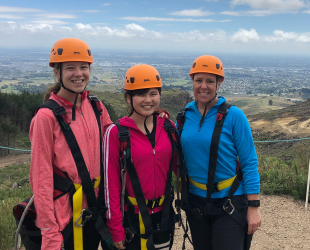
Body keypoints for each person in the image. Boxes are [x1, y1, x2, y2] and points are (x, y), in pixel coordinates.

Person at [29, 38, 113, 250]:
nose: (79, 74)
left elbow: (115, 140)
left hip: (95, 208)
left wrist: (150, 119)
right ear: (57, 73)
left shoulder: (95, 106)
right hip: (66, 216)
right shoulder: (46, 117)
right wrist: (49, 232)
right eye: (70, 68)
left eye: (84, 67)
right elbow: (42, 177)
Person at [178, 55, 261, 250]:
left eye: (209, 81)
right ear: (192, 81)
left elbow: (249, 162)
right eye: (199, 80)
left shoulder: (234, 116)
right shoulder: (184, 116)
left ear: (219, 83)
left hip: (229, 201)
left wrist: (253, 207)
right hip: (196, 201)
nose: (203, 86)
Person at [103, 64, 178, 250]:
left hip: (163, 215)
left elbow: (181, 167)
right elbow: (110, 183)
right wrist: (115, 228)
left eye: (153, 93)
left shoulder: (168, 128)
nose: (148, 100)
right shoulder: (116, 133)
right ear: (129, 98)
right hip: (131, 218)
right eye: (140, 94)